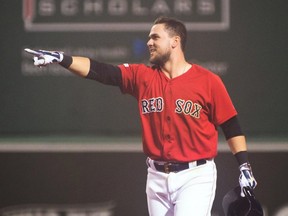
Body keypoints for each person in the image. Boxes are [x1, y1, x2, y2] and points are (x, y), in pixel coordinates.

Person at [25, 16, 257, 216]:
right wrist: (62, 59)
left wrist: (244, 166)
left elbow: (230, 124)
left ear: (175, 42)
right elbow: (102, 71)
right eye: (149, 38)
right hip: (156, 177)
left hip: (196, 175)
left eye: (155, 37)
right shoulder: (142, 76)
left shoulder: (208, 81)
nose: (149, 42)